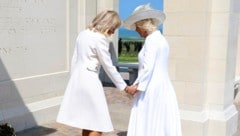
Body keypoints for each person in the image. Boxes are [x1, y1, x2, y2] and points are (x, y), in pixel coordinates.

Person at [57, 10, 135, 136]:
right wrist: (124, 86)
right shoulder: (100, 39)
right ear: (107, 24)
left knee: (87, 122)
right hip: (90, 81)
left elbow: (74, 59)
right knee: (98, 123)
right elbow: (108, 66)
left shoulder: (83, 34)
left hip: (78, 79)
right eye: (113, 28)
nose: (113, 32)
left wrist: (73, 80)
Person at [123, 4, 182, 136]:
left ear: (142, 26)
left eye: (137, 28)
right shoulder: (161, 39)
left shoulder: (151, 40)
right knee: (159, 122)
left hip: (150, 88)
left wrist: (137, 86)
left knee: (148, 120)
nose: (136, 32)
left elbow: (147, 67)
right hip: (163, 87)